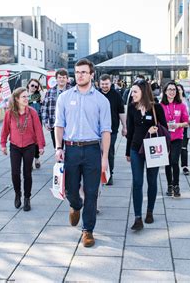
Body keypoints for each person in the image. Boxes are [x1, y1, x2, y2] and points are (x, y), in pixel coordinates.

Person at [54, 58, 111, 248]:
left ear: (91, 74)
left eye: (84, 72)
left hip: (92, 149)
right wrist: (58, 147)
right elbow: (59, 125)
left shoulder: (101, 100)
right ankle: (76, 205)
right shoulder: (64, 97)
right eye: (77, 72)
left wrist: (104, 158)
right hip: (70, 149)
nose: (80, 75)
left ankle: (88, 230)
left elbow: (106, 130)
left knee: (92, 192)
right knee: (70, 189)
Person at [126, 79, 168, 231]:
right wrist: (127, 151)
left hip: (153, 149)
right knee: (137, 182)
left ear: (143, 92)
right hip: (136, 149)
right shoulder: (131, 108)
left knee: (152, 180)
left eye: (135, 91)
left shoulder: (156, 107)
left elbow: (164, 128)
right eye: (132, 91)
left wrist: (155, 128)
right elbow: (129, 131)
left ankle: (149, 211)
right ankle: (137, 217)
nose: (132, 94)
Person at [1, 87, 45, 211]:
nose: (26, 99)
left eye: (27, 96)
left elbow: (38, 130)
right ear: (16, 99)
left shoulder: (32, 112)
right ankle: (17, 194)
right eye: (23, 97)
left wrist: (41, 145)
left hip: (29, 146)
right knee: (15, 172)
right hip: (15, 146)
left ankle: (27, 198)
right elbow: (5, 130)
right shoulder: (9, 113)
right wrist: (3, 144)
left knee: (27, 173)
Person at [161, 82, 189, 198]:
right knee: (167, 163)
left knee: (174, 161)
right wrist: (164, 125)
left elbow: (187, 122)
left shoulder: (181, 105)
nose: (172, 91)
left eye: (174, 90)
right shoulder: (160, 105)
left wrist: (178, 125)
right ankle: (169, 185)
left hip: (177, 138)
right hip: (165, 138)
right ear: (165, 91)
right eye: (169, 89)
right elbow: (157, 122)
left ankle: (176, 185)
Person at [99, 74, 127, 185]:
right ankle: (99, 174)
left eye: (106, 84)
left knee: (109, 151)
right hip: (96, 129)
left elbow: (121, 111)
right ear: (99, 84)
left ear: (110, 83)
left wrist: (125, 126)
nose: (104, 86)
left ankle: (109, 175)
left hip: (112, 129)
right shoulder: (95, 94)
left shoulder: (116, 95)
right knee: (97, 152)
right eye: (102, 84)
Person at [41, 68, 71, 149]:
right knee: (57, 147)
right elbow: (44, 107)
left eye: (64, 77)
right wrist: (45, 121)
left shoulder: (72, 91)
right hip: (54, 123)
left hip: (69, 125)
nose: (61, 79)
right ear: (56, 79)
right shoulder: (50, 91)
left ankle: (67, 161)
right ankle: (59, 161)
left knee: (69, 148)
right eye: (60, 77)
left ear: (67, 79)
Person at [177, 84, 190, 176]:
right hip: (175, 128)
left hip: (185, 128)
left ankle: (184, 166)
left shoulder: (187, 101)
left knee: (184, 147)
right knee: (174, 147)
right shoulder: (172, 101)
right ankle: (173, 165)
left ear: (182, 90)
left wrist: (189, 120)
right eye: (176, 89)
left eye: (179, 89)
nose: (177, 91)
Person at [27, 78, 44, 169]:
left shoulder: (39, 95)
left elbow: (44, 100)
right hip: (26, 121)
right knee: (28, 141)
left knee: (36, 140)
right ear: (28, 85)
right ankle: (29, 161)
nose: (33, 87)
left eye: (36, 86)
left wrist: (41, 90)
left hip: (37, 120)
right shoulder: (24, 95)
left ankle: (36, 158)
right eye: (32, 85)